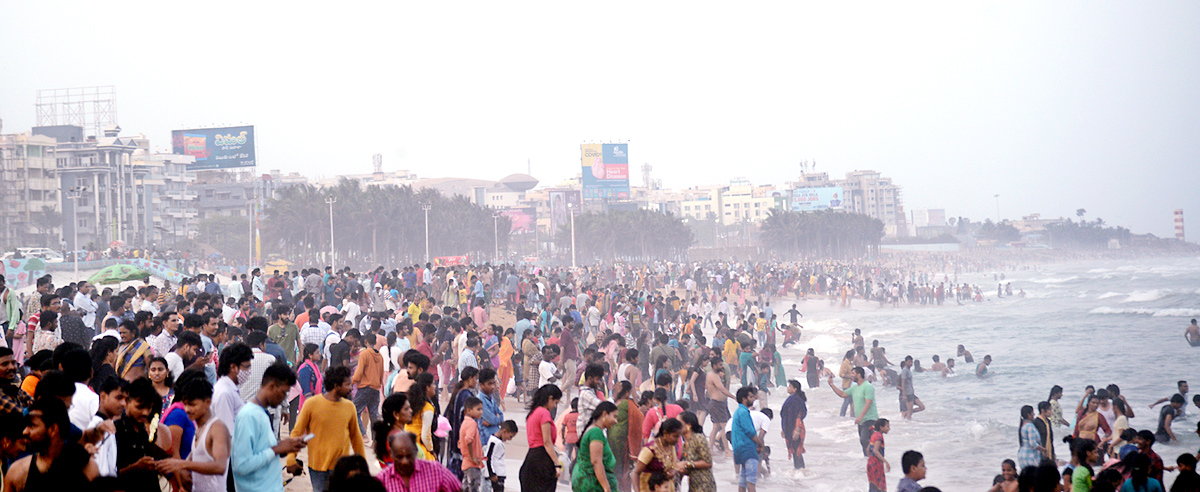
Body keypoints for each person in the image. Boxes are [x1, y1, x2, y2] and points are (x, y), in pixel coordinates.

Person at [288, 366, 366, 492]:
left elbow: (356, 438)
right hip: (317, 467)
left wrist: (363, 465)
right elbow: (297, 432)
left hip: (342, 468)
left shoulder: (350, 407)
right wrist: (291, 458)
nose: (351, 388)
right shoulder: (311, 404)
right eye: (348, 385)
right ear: (336, 385)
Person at [232, 362, 306, 492]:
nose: (284, 399)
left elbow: (261, 450)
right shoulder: (248, 416)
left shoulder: (262, 413)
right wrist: (277, 449)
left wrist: (286, 447)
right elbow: (241, 465)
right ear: (272, 386)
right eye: (284, 393)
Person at [1, 398, 97, 491]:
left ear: (53, 429)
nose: (25, 432)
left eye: (32, 426)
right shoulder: (18, 473)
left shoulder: (86, 468)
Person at [155, 378, 230, 492]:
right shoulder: (199, 427)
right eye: (185, 404)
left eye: (192, 405)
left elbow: (220, 466)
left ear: (208, 402)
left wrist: (183, 465)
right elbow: (195, 457)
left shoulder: (217, 428)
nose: (187, 409)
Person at [375, 431, 462, 492]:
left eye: (409, 456)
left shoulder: (435, 470)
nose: (405, 462)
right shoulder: (382, 480)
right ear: (392, 455)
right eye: (399, 457)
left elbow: (458, 489)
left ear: (416, 451)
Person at [519, 384, 562, 492]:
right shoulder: (544, 414)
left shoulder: (533, 413)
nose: (555, 406)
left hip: (531, 458)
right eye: (555, 402)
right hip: (542, 460)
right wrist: (557, 464)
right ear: (550, 398)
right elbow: (547, 442)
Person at [828, 367, 878, 456]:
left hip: (870, 419)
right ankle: (868, 462)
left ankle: (873, 459)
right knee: (863, 443)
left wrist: (860, 416)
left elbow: (868, 403)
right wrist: (832, 385)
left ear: (859, 375)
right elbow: (843, 394)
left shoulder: (868, 386)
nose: (851, 376)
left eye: (853, 373)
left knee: (864, 439)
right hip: (861, 421)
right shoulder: (855, 388)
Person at [572, 401, 619, 492]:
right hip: (591, 484)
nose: (616, 421)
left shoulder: (594, 430)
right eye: (614, 416)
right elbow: (596, 462)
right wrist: (606, 487)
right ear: (604, 414)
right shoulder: (596, 432)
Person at [607, 381, 643, 492]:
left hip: (609, 439)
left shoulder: (612, 403)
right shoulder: (628, 404)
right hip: (621, 442)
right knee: (623, 469)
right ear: (627, 393)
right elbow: (640, 417)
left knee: (612, 466)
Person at [635, 417, 682, 492]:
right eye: (675, 436)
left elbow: (673, 465)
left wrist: (674, 471)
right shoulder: (650, 449)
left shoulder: (671, 446)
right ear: (665, 433)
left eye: (679, 436)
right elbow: (636, 472)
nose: (678, 439)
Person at [731, 387, 761, 492]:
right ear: (744, 399)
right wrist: (760, 444)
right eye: (751, 397)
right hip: (747, 449)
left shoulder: (738, 411)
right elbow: (750, 432)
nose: (753, 399)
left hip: (739, 449)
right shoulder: (744, 412)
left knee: (742, 481)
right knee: (751, 482)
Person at [678, 411, 715, 492]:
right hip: (693, 485)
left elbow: (708, 462)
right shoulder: (684, 445)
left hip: (705, 486)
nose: (676, 426)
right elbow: (689, 469)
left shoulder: (698, 438)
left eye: (679, 423)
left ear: (688, 425)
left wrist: (686, 464)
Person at [405, 373, 437, 460]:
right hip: (419, 449)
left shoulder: (411, 404)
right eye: (433, 384)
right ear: (427, 387)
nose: (435, 387)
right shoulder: (427, 408)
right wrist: (431, 451)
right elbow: (425, 435)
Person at [459, 397, 485, 492]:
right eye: (478, 409)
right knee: (474, 486)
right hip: (472, 463)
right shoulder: (472, 423)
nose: (481, 412)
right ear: (469, 410)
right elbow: (468, 440)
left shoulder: (465, 422)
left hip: (466, 461)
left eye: (482, 409)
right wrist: (472, 457)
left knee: (466, 486)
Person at [779, 379, 807, 469]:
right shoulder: (791, 398)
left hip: (795, 428)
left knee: (797, 451)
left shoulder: (796, 400)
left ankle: (801, 471)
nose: (788, 388)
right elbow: (786, 415)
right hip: (789, 427)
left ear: (795, 389)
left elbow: (798, 415)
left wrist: (797, 430)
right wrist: (784, 429)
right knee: (795, 451)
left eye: (790, 386)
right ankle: (799, 471)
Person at [484, 420, 517, 492]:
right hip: (496, 475)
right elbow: (488, 458)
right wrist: (492, 474)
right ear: (504, 431)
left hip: (500, 474)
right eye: (510, 436)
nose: (510, 439)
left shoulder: (497, 441)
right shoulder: (494, 441)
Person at [1018, 405, 1046, 469]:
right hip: (1030, 456)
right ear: (1028, 415)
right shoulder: (1030, 426)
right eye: (1033, 413)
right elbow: (1033, 444)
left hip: (1022, 454)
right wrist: (1044, 450)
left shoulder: (1023, 425)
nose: (1034, 414)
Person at [866, 418, 890, 492]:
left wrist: (871, 459)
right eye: (887, 426)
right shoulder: (879, 437)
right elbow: (875, 451)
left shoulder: (874, 434)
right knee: (880, 486)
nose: (889, 429)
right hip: (877, 463)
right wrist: (886, 462)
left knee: (873, 485)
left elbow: (868, 449)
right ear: (881, 427)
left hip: (870, 462)